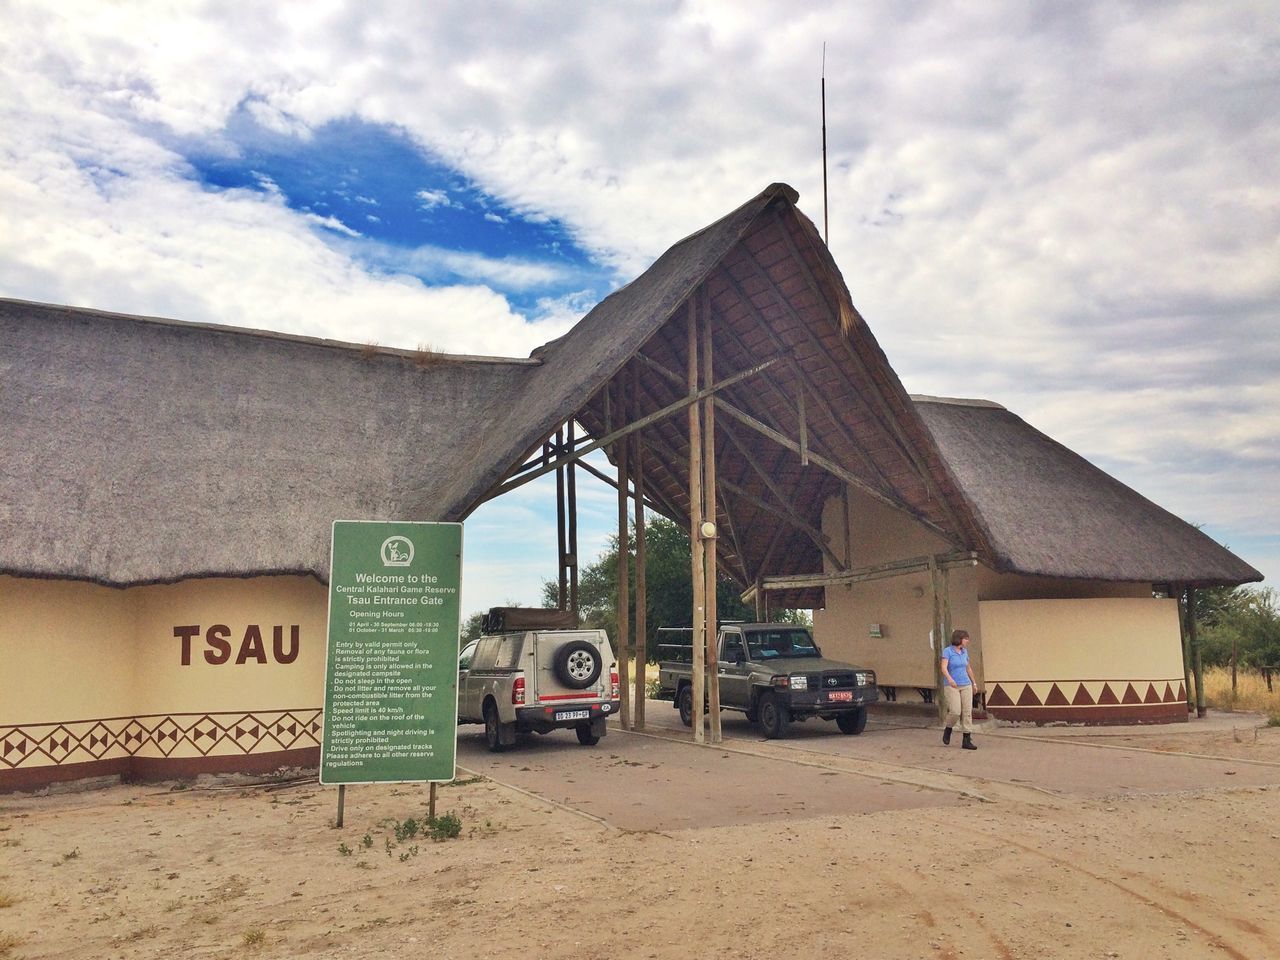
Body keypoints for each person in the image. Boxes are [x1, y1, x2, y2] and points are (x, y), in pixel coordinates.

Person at [940, 628, 978, 750]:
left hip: (965, 683)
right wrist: (950, 679)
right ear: (959, 639)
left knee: (967, 712)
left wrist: (974, 683)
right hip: (952, 685)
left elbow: (968, 668)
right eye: (966, 638)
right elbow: (944, 668)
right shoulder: (948, 651)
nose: (967, 641)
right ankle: (948, 728)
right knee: (956, 711)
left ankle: (967, 739)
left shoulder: (964, 652)